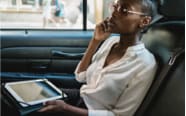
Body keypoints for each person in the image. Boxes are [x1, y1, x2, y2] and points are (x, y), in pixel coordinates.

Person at [38, 0, 158, 116]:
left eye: (124, 10)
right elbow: (80, 76)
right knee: (34, 96)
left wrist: (65, 108)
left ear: (144, 21)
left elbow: (120, 115)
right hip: (80, 97)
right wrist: (95, 41)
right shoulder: (110, 42)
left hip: (89, 112)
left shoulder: (145, 64)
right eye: (115, 6)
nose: (114, 13)